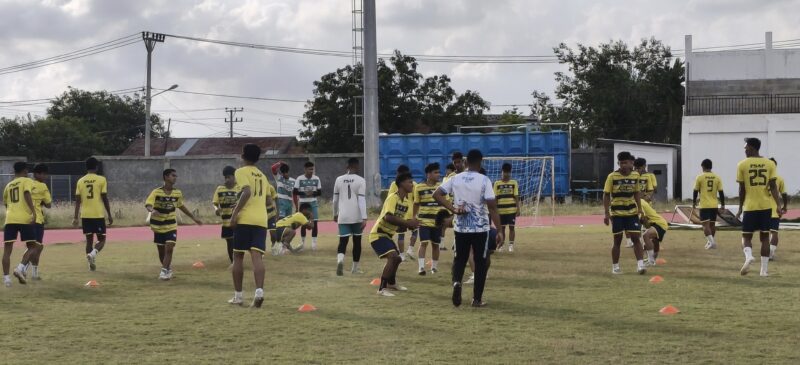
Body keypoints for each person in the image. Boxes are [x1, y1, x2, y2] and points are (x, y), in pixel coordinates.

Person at [434, 149, 504, 308]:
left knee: (459, 259)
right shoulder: (484, 180)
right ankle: (476, 299)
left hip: (461, 227)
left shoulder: (455, 178)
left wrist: (452, 209)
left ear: (465, 163)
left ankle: (457, 283)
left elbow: (437, 194)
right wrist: (499, 230)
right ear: (480, 162)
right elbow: (492, 207)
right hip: (480, 228)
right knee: (481, 262)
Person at [229, 144, 272, 307]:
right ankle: (259, 292)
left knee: (238, 256)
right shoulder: (263, 176)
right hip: (261, 220)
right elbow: (268, 200)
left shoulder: (240, 172)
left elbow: (246, 192)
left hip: (245, 219)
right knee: (257, 257)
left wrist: (234, 214)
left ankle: (238, 297)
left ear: (242, 155)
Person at [734, 138, 782, 277]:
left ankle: (748, 256)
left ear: (752, 148)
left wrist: (740, 207)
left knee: (746, 237)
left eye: (746, 148)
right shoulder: (769, 163)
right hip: (766, 207)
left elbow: (742, 189)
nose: (744, 150)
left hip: (750, 206)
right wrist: (778, 205)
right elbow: (773, 186)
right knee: (765, 237)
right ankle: (764, 271)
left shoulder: (742, 164)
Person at [145, 169, 203, 281]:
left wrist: (194, 218)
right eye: (173, 175)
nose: (175, 177)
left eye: (176, 176)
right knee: (161, 251)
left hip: (171, 224)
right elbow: (148, 204)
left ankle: (163, 272)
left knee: (169, 248)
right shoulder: (156, 192)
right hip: (158, 225)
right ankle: (168, 269)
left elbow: (181, 206)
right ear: (166, 177)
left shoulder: (177, 193)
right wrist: (151, 210)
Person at [369, 172, 419, 297]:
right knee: (393, 257)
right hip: (378, 234)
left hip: (388, 236)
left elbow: (401, 225)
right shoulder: (392, 197)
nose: (412, 184)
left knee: (397, 259)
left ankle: (391, 284)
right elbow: (388, 217)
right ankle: (381, 288)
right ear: (401, 184)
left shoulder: (407, 202)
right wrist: (408, 223)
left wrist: (412, 224)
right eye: (409, 182)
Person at [603, 151, 647, 275]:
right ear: (618, 163)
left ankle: (640, 265)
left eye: (625, 162)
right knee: (617, 240)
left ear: (630, 163)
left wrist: (640, 209)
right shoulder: (612, 176)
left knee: (636, 238)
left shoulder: (635, 176)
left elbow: (637, 193)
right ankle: (615, 267)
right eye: (621, 163)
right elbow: (606, 195)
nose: (623, 165)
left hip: (632, 213)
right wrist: (606, 213)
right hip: (617, 213)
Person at [72, 157, 113, 272]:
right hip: (98, 214)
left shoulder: (80, 181)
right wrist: (109, 214)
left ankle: (90, 265)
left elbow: (78, 200)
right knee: (102, 240)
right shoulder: (101, 179)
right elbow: (104, 197)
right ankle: (93, 254)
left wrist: (75, 217)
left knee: (89, 240)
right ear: (96, 167)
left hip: (85, 215)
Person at [2, 162, 37, 286]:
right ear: (25, 170)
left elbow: (6, 203)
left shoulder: (8, 185)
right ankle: (20, 268)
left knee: (7, 250)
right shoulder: (26, 181)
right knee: (33, 246)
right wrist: (33, 211)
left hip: (10, 219)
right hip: (24, 218)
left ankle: (6, 279)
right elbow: (27, 193)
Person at [332, 158, 367, 275]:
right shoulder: (361, 180)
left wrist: (335, 213)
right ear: (357, 166)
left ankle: (340, 261)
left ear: (347, 166)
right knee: (357, 242)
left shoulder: (338, 179)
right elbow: (361, 200)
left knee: (343, 241)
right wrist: (364, 217)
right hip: (356, 216)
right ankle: (354, 268)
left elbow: (335, 200)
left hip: (343, 216)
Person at [413, 162, 442, 275]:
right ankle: (421, 268)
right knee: (423, 243)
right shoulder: (419, 187)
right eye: (435, 172)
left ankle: (434, 268)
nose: (438, 174)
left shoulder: (441, 187)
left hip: (437, 222)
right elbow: (416, 203)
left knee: (436, 245)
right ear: (428, 174)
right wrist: (413, 217)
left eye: (438, 172)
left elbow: (446, 202)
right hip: (423, 221)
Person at [692, 159, 725, 249]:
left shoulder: (700, 177)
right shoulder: (717, 177)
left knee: (705, 225)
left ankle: (712, 242)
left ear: (703, 166)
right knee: (712, 225)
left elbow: (695, 191)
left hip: (704, 205)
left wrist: (694, 202)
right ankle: (710, 242)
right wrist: (723, 205)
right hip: (714, 205)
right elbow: (721, 192)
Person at [388, 165, 418, 260]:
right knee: (415, 231)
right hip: (411, 213)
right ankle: (410, 249)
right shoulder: (414, 184)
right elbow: (417, 200)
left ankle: (402, 255)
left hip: (401, 213)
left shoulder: (394, 184)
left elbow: (390, 196)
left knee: (401, 235)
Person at [28, 163, 52, 280]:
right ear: (37, 174)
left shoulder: (26, 183)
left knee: (34, 247)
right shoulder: (43, 186)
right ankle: (21, 268)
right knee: (37, 247)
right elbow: (48, 204)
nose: (45, 176)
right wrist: (41, 201)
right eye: (44, 174)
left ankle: (34, 273)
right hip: (37, 219)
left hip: (25, 219)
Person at [212, 166, 240, 263]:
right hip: (226, 222)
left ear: (234, 177)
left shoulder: (239, 188)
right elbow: (214, 203)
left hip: (238, 221)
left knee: (238, 241)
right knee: (229, 242)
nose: (227, 180)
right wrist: (216, 209)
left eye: (229, 177)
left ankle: (237, 261)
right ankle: (233, 262)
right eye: (225, 178)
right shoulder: (220, 189)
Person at [294, 161, 321, 250]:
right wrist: (304, 193)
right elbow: (295, 192)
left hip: (313, 203)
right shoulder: (299, 179)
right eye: (309, 169)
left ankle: (314, 244)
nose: (311, 171)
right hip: (303, 203)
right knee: (303, 223)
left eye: (312, 169)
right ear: (305, 169)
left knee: (315, 222)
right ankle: (302, 244)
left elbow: (319, 192)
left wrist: (313, 193)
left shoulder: (316, 178)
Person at [494, 163, 520, 253]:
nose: (506, 174)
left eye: (508, 172)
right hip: (501, 211)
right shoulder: (497, 183)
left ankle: (511, 245)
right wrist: (495, 210)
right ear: (502, 172)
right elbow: (495, 198)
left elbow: (516, 196)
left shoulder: (514, 183)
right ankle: (501, 245)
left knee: (512, 228)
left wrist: (518, 208)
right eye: (505, 172)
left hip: (511, 210)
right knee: (502, 229)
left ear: (510, 173)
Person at [767, 157, 788, 261]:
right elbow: (784, 194)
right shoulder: (779, 179)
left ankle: (766, 252)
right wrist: (785, 206)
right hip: (775, 209)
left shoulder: (762, 178)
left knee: (764, 233)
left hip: (762, 209)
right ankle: (771, 253)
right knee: (774, 232)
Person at [639, 199, 668, 266]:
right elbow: (645, 221)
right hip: (657, 223)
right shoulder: (641, 201)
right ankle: (652, 260)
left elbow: (642, 218)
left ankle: (651, 261)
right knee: (654, 241)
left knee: (646, 236)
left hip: (659, 223)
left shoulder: (639, 203)